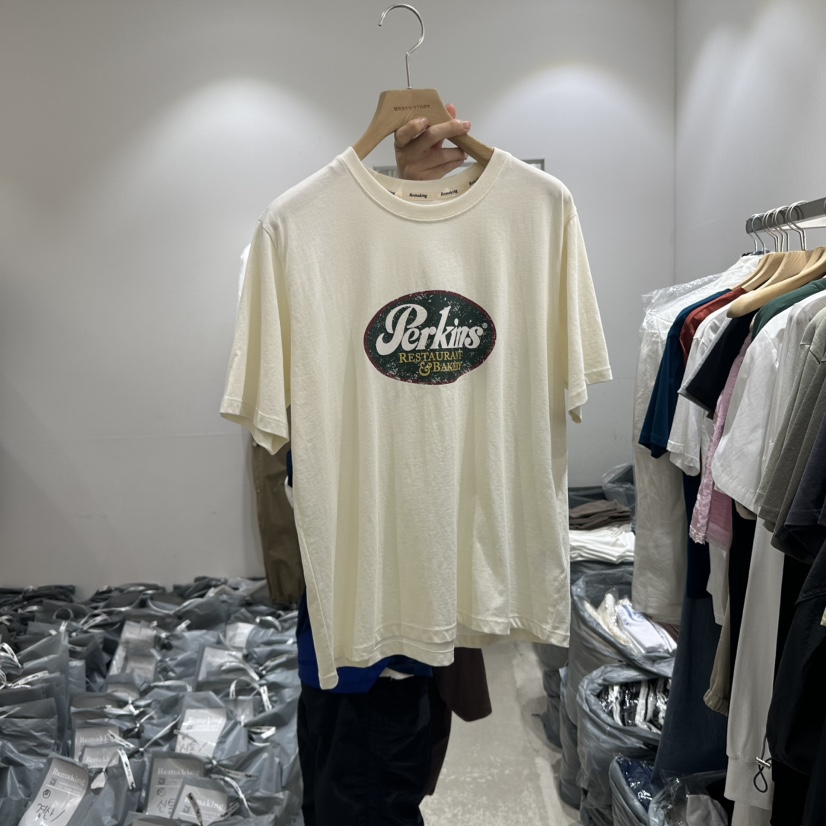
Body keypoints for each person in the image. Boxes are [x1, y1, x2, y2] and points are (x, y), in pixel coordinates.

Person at [295, 107, 491, 826]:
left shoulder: (497, 249)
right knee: (348, 786)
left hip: (402, 636)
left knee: (366, 791)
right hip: (351, 628)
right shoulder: (302, 243)